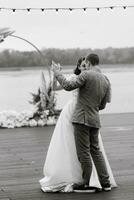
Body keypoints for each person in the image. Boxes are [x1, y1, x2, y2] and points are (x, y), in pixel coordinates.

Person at [39, 55, 117, 192]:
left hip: (81, 118)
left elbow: (68, 86)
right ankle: (106, 183)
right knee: (96, 151)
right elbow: (103, 104)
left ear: (88, 62)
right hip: (94, 118)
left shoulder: (86, 75)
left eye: (85, 62)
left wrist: (57, 73)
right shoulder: (105, 79)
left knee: (84, 153)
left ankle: (86, 183)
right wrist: (92, 107)